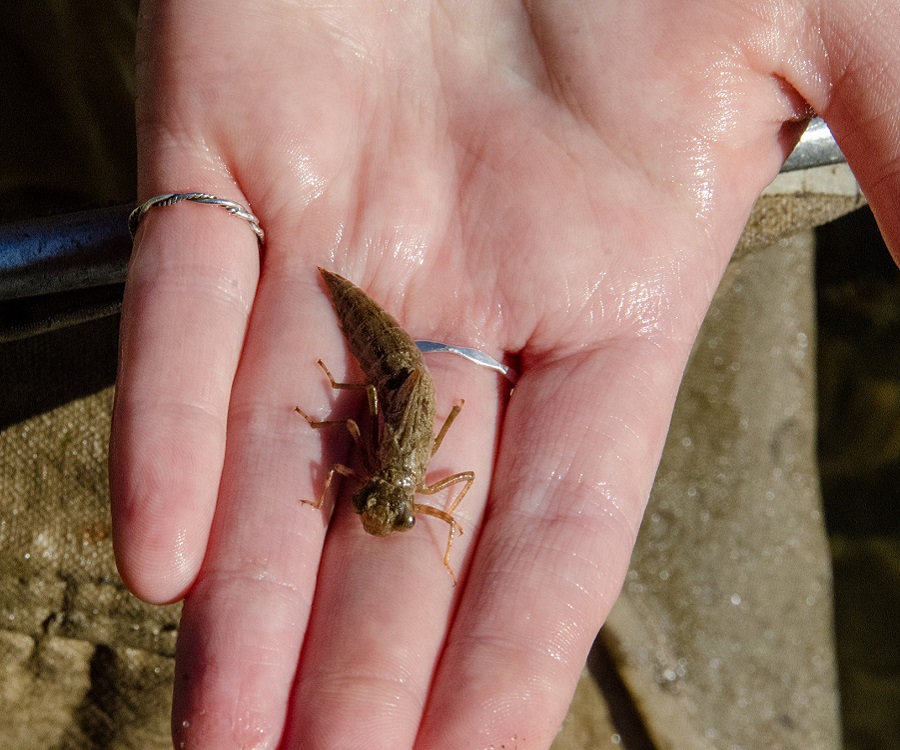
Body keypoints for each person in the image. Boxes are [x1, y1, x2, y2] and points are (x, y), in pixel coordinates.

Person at [110, 1, 900, 747]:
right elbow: (366, 430)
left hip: (457, 348)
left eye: (384, 496)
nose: (381, 500)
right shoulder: (398, 472)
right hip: (389, 364)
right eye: (386, 498)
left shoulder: (398, 476)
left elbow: (374, 439)